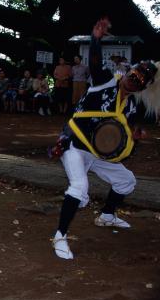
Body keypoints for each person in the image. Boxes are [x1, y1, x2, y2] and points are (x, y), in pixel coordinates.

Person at [49, 17, 160, 260]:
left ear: (144, 87)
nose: (136, 79)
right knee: (79, 188)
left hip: (98, 154)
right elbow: (97, 65)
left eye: (142, 80)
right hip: (75, 145)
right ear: (129, 70)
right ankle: (60, 236)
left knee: (127, 181)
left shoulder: (129, 110)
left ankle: (107, 215)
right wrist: (95, 40)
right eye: (136, 73)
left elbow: (122, 147)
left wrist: (135, 138)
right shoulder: (105, 82)